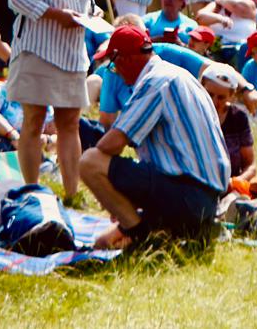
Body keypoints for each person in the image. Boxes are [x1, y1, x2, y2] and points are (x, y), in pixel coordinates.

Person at [80, 25, 229, 248]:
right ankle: (159, 233)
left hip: (188, 196)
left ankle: (139, 237)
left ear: (126, 59)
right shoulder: (178, 75)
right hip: (204, 201)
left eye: (113, 64)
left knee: (90, 162)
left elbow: (111, 145)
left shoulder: (155, 81)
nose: (114, 71)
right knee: (104, 241)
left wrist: (113, 193)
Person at [8, 0, 99, 201]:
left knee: (70, 123)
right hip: (38, 50)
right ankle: (31, 189)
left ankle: (73, 193)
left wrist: (92, 16)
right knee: (34, 120)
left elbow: (85, 1)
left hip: (72, 54)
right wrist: (55, 15)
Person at [198, 63, 255, 183]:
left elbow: (250, 165)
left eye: (221, 97)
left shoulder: (238, 118)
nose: (214, 102)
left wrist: (234, 183)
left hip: (231, 184)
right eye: (210, 94)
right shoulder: (193, 114)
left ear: (232, 96)